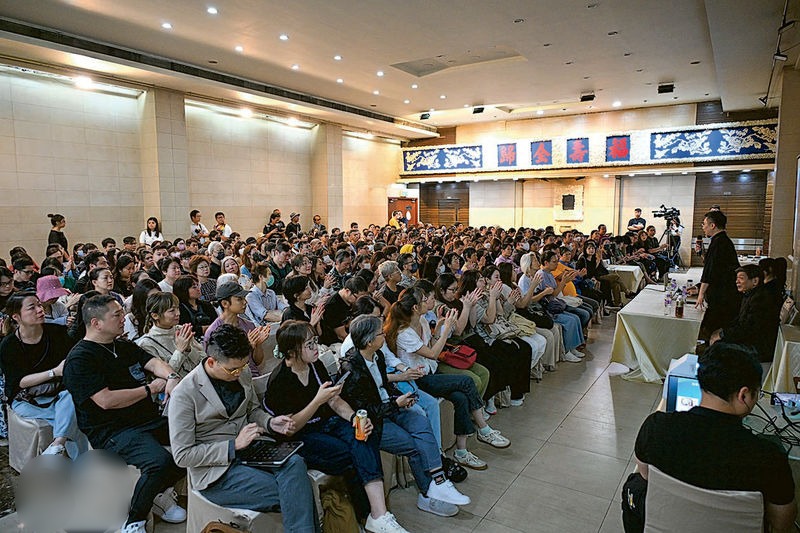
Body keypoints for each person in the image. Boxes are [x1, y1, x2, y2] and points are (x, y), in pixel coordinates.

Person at [622, 343, 796, 533]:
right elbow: (782, 524)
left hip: (670, 522)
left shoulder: (656, 427)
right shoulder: (768, 457)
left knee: (634, 484)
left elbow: (646, 473)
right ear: (744, 395)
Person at [167, 324, 319, 532]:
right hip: (217, 471)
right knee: (297, 491)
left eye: (243, 366)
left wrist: (269, 422)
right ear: (211, 362)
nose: (239, 373)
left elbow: (252, 410)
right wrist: (233, 445)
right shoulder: (184, 394)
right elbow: (183, 455)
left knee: (295, 463)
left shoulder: (242, 371)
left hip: (252, 450)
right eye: (233, 370)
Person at [63, 295, 186, 533]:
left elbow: (153, 363)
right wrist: (150, 389)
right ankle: (133, 521)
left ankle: (157, 492)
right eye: (117, 315)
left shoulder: (122, 345)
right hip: (112, 430)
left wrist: (171, 376)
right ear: (96, 323)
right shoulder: (80, 359)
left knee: (194, 439)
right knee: (159, 462)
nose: (124, 318)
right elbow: (106, 401)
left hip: (146, 419)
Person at [339, 315, 471, 521]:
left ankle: (439, 481)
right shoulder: (352, 369)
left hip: (389, 407)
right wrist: (395, 404)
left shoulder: (377, 356)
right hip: (374, 421)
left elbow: (383, 385)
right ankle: (427, 493)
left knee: (421, 421)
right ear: (369, 341)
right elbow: (365, 410)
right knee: (412, 444)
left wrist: (399, 398)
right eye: (380, 333)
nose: (384, 335)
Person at [385, 288, 510, 471]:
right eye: (424, 299)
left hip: (430, 371)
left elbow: (430, 347)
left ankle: (462, 451)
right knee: (467, 381)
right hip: (417, 379)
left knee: (460, 397)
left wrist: (438, 331)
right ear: (415, 307)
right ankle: (483, 429)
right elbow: (432, 353)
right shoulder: (404, 333)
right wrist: (446, 331)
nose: (428, 301)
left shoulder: (422, 321)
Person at [0, 292, 89, 459]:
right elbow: (20, 382)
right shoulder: (9, 345)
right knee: (74, 417)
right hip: (27, 399)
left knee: (71, 397)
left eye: (39, 305)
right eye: (31, 308)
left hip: (60, 394)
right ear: (16, 317)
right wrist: (54, 372)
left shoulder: (56, 332)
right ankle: (79, 463)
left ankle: (57, 445)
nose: (40, 310)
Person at [710, 265, 780, 363]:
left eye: (741, 278)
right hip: (750, 340)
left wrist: (723, 334)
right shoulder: (750, 294)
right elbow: (740, 319)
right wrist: (722, 331)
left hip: (759, 348)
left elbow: (748, 328)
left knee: (717, 348)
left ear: (755, 281)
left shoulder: (761, 299)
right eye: (737, 278)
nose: (737, 281)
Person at [204, 282, 271, 377]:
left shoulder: (249, 325)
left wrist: (258, 345)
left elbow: (257, 362)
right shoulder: (213, 332)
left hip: (253, 376)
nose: (245, 302)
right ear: (225, 303)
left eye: (244, 298)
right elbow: (216, 366)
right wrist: (247, 347)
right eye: (239, 299)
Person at [136, 292, 204, 378]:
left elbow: (203, 358)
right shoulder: (147, 344)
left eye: (177, 308)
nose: (178, 313)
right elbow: (165, 377)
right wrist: (180, 351)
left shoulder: (181, 330)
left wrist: (188, 349)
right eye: (172, 311)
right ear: (155, 316)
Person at [696, 210, 740, 341]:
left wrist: (701, 294)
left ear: (712, 225)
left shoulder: (719, 242)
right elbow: (712, 264)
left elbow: (710, 271)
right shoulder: (721, 241)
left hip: (723, 294)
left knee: (709, 327)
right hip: (724, 292)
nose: (703, 227)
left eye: (704, 224)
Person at [319, 276, 368, 346]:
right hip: (336, 344)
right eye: (356, 297)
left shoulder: (350, 301)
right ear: (347, 291)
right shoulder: (333, 306)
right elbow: (342, 335)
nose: (358, 301)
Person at [174, 275, 217, 340]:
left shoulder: (206, 305)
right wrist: (203, 329)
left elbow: (216, 322)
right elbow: (186, 329)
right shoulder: (179, 309)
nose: (198, 289)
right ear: (184, 290)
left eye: (198, 285)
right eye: (194, 287)